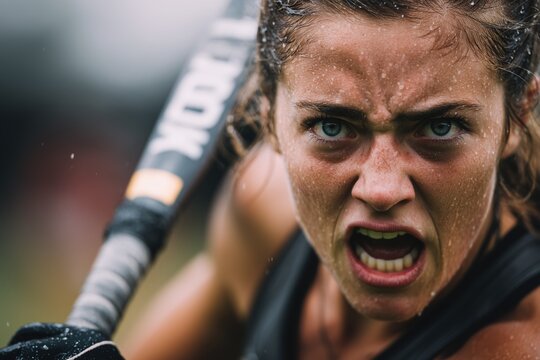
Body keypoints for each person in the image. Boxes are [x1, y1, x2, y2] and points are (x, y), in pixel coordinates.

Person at [121, 0, 540, 359]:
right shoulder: (263, 208)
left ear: (518, 116)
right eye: (332, 127)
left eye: (440, 128)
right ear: (269, 117)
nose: (381, 189)